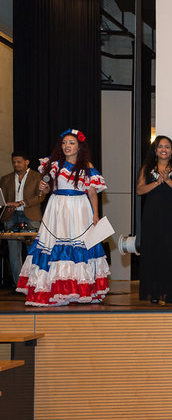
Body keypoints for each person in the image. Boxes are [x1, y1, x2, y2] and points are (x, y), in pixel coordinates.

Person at [17, 129, 109, 306]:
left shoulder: (87, 167)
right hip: (57, 208)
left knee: (81, 245)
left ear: (79, 147)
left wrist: (96, 215)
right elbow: (47, 190)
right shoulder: (54, 165)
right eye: (64, 143)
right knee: (53, 246)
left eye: (71, 143)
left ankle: (80, 291)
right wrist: (44, 187)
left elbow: (92, 193)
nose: (67, 146)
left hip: (79, 209)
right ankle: (55, 292)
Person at [136, 135, 172, 304]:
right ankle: (154, 293)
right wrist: (157, 182)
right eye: (160, 146)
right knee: (153, 252)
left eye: (167, 147)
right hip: (152, 214)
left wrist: (167, 181)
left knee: (171, 252)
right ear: (155, 150)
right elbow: (140, 190)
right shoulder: (147, 168)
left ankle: (170, 293)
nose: (163, 149)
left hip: (171, 214)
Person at [1, 151, 44, 286]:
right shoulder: (5, 179)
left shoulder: (38, 177)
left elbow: (41, 196)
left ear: (27, 162)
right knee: (14, 254)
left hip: (31, 216)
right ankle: (19, 285)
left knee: (34, 251)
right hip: (11, 216)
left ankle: (35, 283)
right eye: (14, 162)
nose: (16, 164)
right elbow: (2, 198)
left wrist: (22, 203)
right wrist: (6, 205)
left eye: (19, 162)